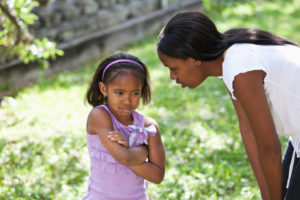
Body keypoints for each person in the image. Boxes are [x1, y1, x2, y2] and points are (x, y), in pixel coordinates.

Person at [156, 11, 300, 200]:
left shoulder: (240, 69)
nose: (172, 77)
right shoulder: (231, 61)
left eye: (173, 69)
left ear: (194, 58)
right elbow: (249, 132)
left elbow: (269, 148)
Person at [83, 52, 165, 200]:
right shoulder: (100, 116)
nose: (127, 100)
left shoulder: (149, 127)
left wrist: (128, 153)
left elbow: (157, 176)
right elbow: (124, 158)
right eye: (119, 93)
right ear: (103, 89)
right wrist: (144, 150)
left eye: (135, 93)